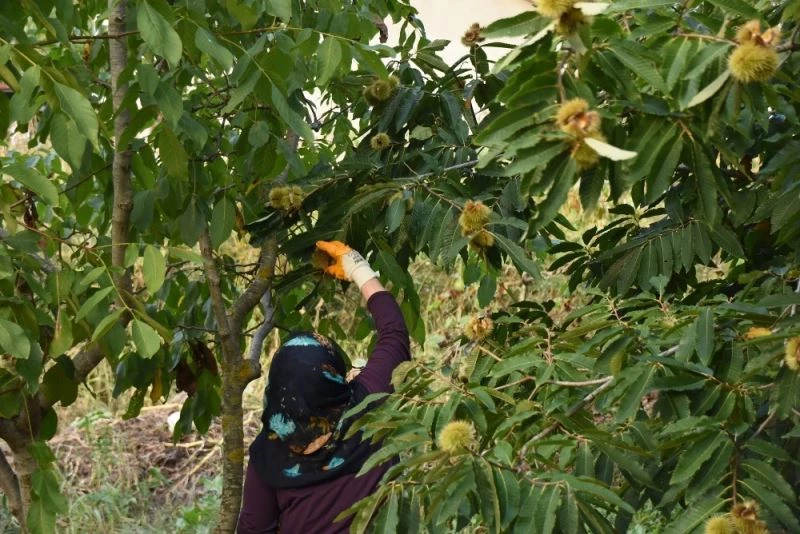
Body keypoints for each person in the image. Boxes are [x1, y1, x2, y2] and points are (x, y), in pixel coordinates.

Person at [237, 240, 411, 534]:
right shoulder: (369, 404)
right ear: (336, 380)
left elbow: (253, 529)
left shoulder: (268, 455)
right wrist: (356, 265)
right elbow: (394, 332)